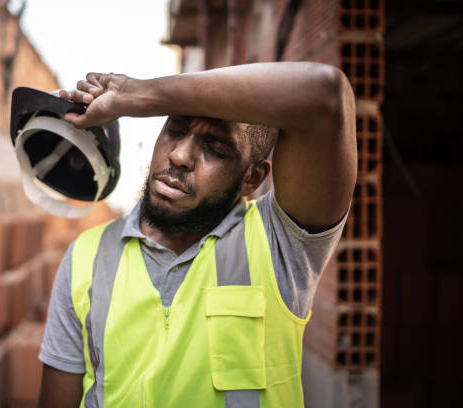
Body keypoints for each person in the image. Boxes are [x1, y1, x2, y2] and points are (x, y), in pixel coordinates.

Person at [37, 62, 356, 408]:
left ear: (252, 178)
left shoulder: (277, 243)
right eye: (175, 129)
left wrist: (137, 94)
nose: (180, 156)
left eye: (215, 149)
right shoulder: (86, 255)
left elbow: (325, 93)